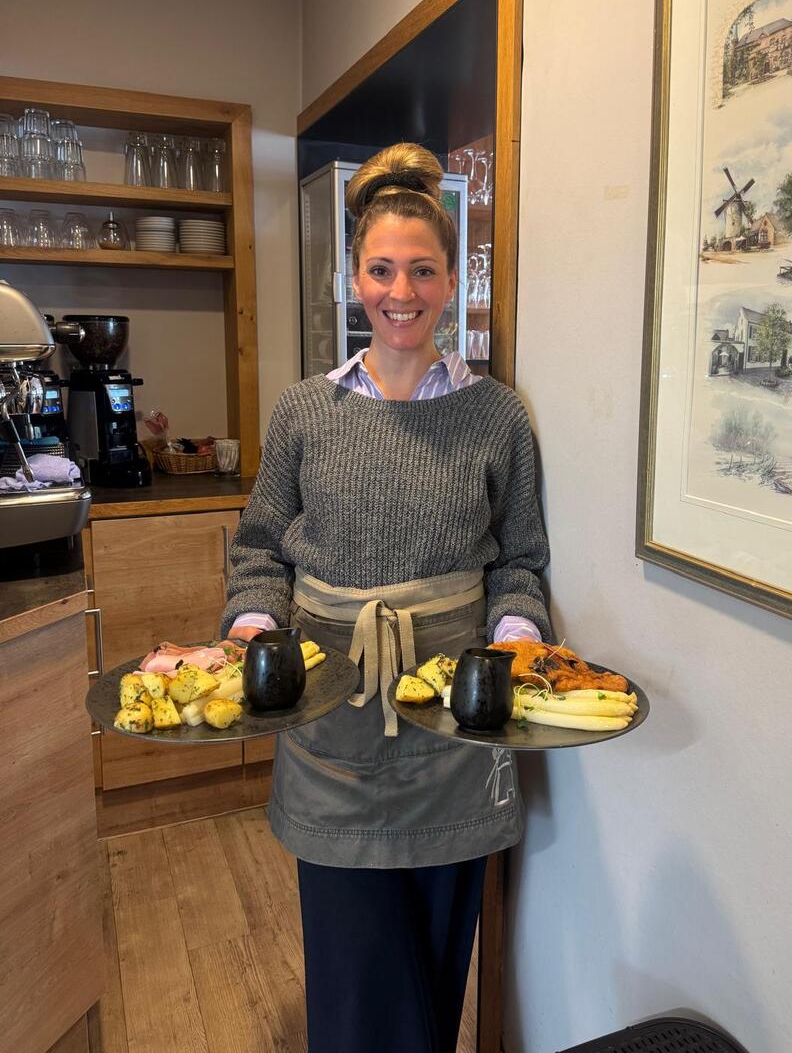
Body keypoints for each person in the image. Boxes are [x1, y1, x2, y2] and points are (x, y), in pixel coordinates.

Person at [222, 142, 551, 1053]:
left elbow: (521, 561)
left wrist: (518, 635)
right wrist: (252, 631)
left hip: (455, 729)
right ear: (351, 278)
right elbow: (259, 549)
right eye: (380, 270)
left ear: (451, 281)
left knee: (438, 968)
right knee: (355, 975)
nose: (400, 292)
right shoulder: (303, 411)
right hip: (329, 729)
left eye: (422, 270)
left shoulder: (497, 416)